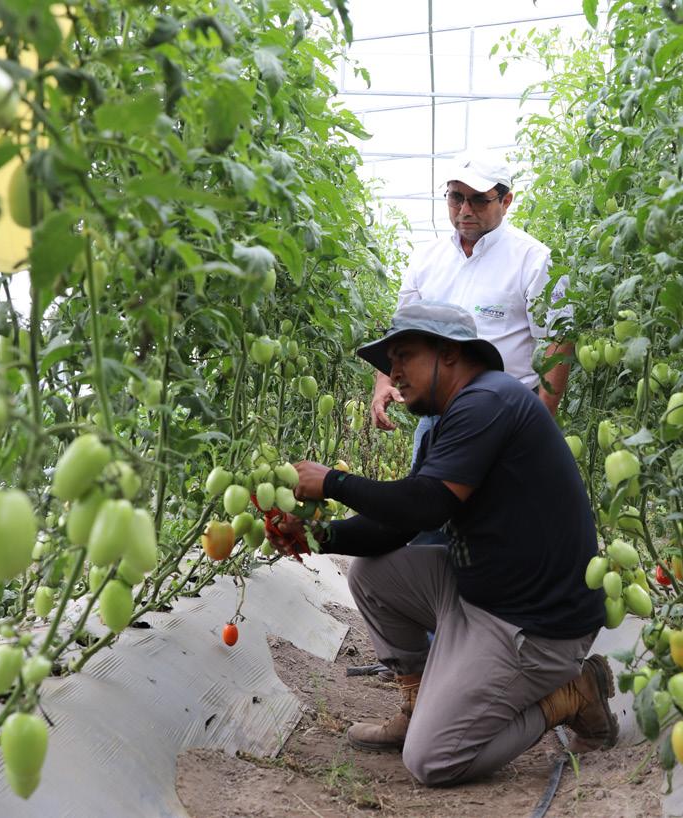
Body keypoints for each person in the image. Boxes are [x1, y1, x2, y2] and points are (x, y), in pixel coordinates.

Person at [269, 301, 615, 786]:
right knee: (372, 574)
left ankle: (572, 694)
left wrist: (333, 482)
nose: (393, 374)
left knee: (433, 760)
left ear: (450, 353)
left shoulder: (488, 402)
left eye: (403, 357)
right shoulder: (457, 416)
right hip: (486, 595)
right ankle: (417, 705)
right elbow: (397, 528)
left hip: (536, 626)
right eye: (391, 363)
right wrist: (316, 536)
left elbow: (425, 506)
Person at [371, 151, 574, 449]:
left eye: (478, 199)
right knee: (430, 481)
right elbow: (400, 331)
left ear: (506, 201)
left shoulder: (534, 260)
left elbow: (559, 339)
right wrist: (383, 383)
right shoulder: (427, 258)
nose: (465, 210)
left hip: (506, 414)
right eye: (456, 197)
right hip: (437, 415)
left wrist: (540, 421)